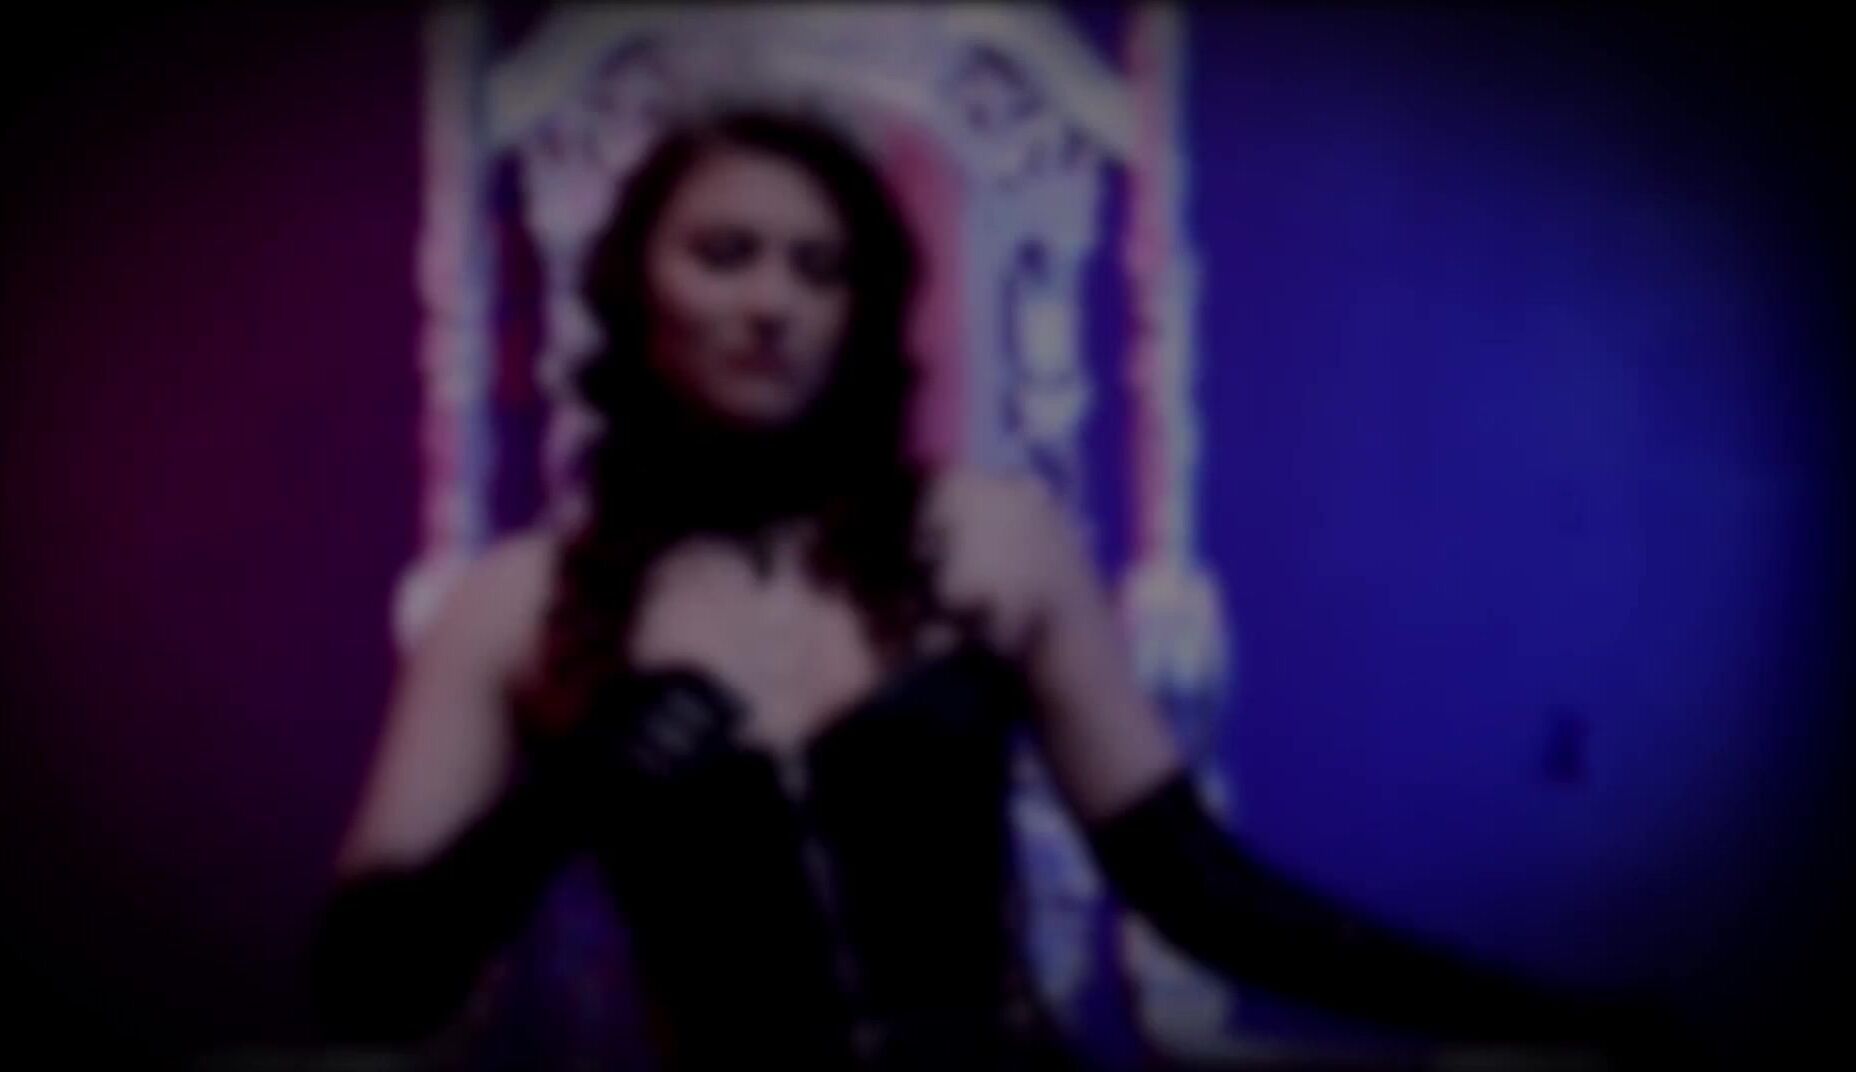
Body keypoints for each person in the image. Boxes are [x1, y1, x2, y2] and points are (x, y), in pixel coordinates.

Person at [312, 107, 1670, 1070]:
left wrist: (1541, 1019)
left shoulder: (992, 539)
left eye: (820, 268)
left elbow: (1199, 893)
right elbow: (365, 993)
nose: (774, 302)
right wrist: (556, 799)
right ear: (635, 290)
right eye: (724, 253)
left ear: (860, 314)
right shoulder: (518, 606)